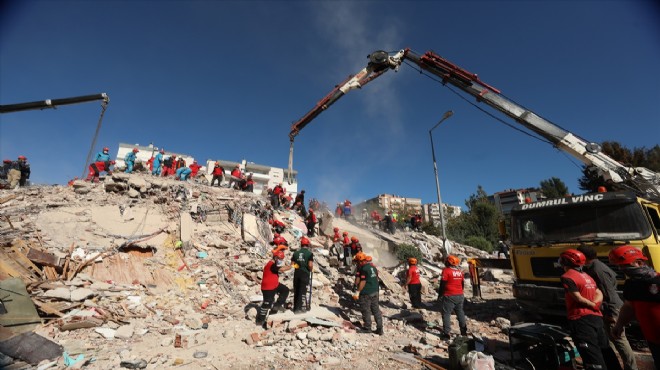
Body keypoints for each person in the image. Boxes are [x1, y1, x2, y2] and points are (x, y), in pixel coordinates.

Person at [559, 249, 622, 370]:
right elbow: (599, 292)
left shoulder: (567, 277)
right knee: (605, 349)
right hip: (596, 317)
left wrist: (591, 304)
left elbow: (577, 297)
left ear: (565, 261)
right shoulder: (586, 276)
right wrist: (596, 304)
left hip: (580, 318)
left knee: (591, 354)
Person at [578, 245, 638, 370]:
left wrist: (610, 313)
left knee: (620, 340)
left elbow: (609, 294)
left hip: (611, 309)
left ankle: (631, 367)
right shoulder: (593, 267)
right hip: (606, 308)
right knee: (608, 340)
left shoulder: (597, 270)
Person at [610, 245, 660, 367]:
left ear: (639, 262)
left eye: (624, 265)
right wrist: (619, 324)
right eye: (619, 267)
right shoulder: (632, 284)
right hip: (653, 339)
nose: (622, 269)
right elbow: (629, 306)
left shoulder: (658, 280)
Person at [256, 250, 292, 325]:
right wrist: (291, 266)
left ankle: (276, 307)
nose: (280, 261)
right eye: (280, 259)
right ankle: (260, 321)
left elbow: (280, 267)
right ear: (275, 258)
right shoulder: (271, 265)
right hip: (268, 288)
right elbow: (282, 269)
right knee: (267, 304)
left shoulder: (274, 264)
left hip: (275, 285)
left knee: (285, 290)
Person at [353, 253, 383, 335]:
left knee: (366, 310)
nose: (357, 264)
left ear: (361, 261)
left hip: (366, 292)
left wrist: (358, 292)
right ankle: (380, 329)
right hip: (375, 291)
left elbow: (362, 281)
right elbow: (376, 278)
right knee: (376, 310)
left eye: (358, 262)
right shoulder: (373, 267)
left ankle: (367, 328)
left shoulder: (364, 269)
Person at [438, 255, 467, 339]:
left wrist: (440, 295)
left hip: (449, 295)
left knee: (446, 314)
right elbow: (462, 284)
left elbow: (442, 284)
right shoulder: (459, 272)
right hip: (460, 295)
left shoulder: (446, 271)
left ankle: (446, 334)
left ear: (449, 262)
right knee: (460, 312)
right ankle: (464, 331)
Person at [291, 236, 314, 313]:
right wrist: (310, 269)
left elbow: (292, 264)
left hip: (297, 273)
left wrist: (298, 266)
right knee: (302, 290)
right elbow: (310, 265)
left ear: (301, 244)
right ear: (307, 245)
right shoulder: (310, 254)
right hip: (305, 273)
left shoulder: (295, 253)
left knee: (296, 290)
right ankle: (299, 308)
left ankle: (295, 308)